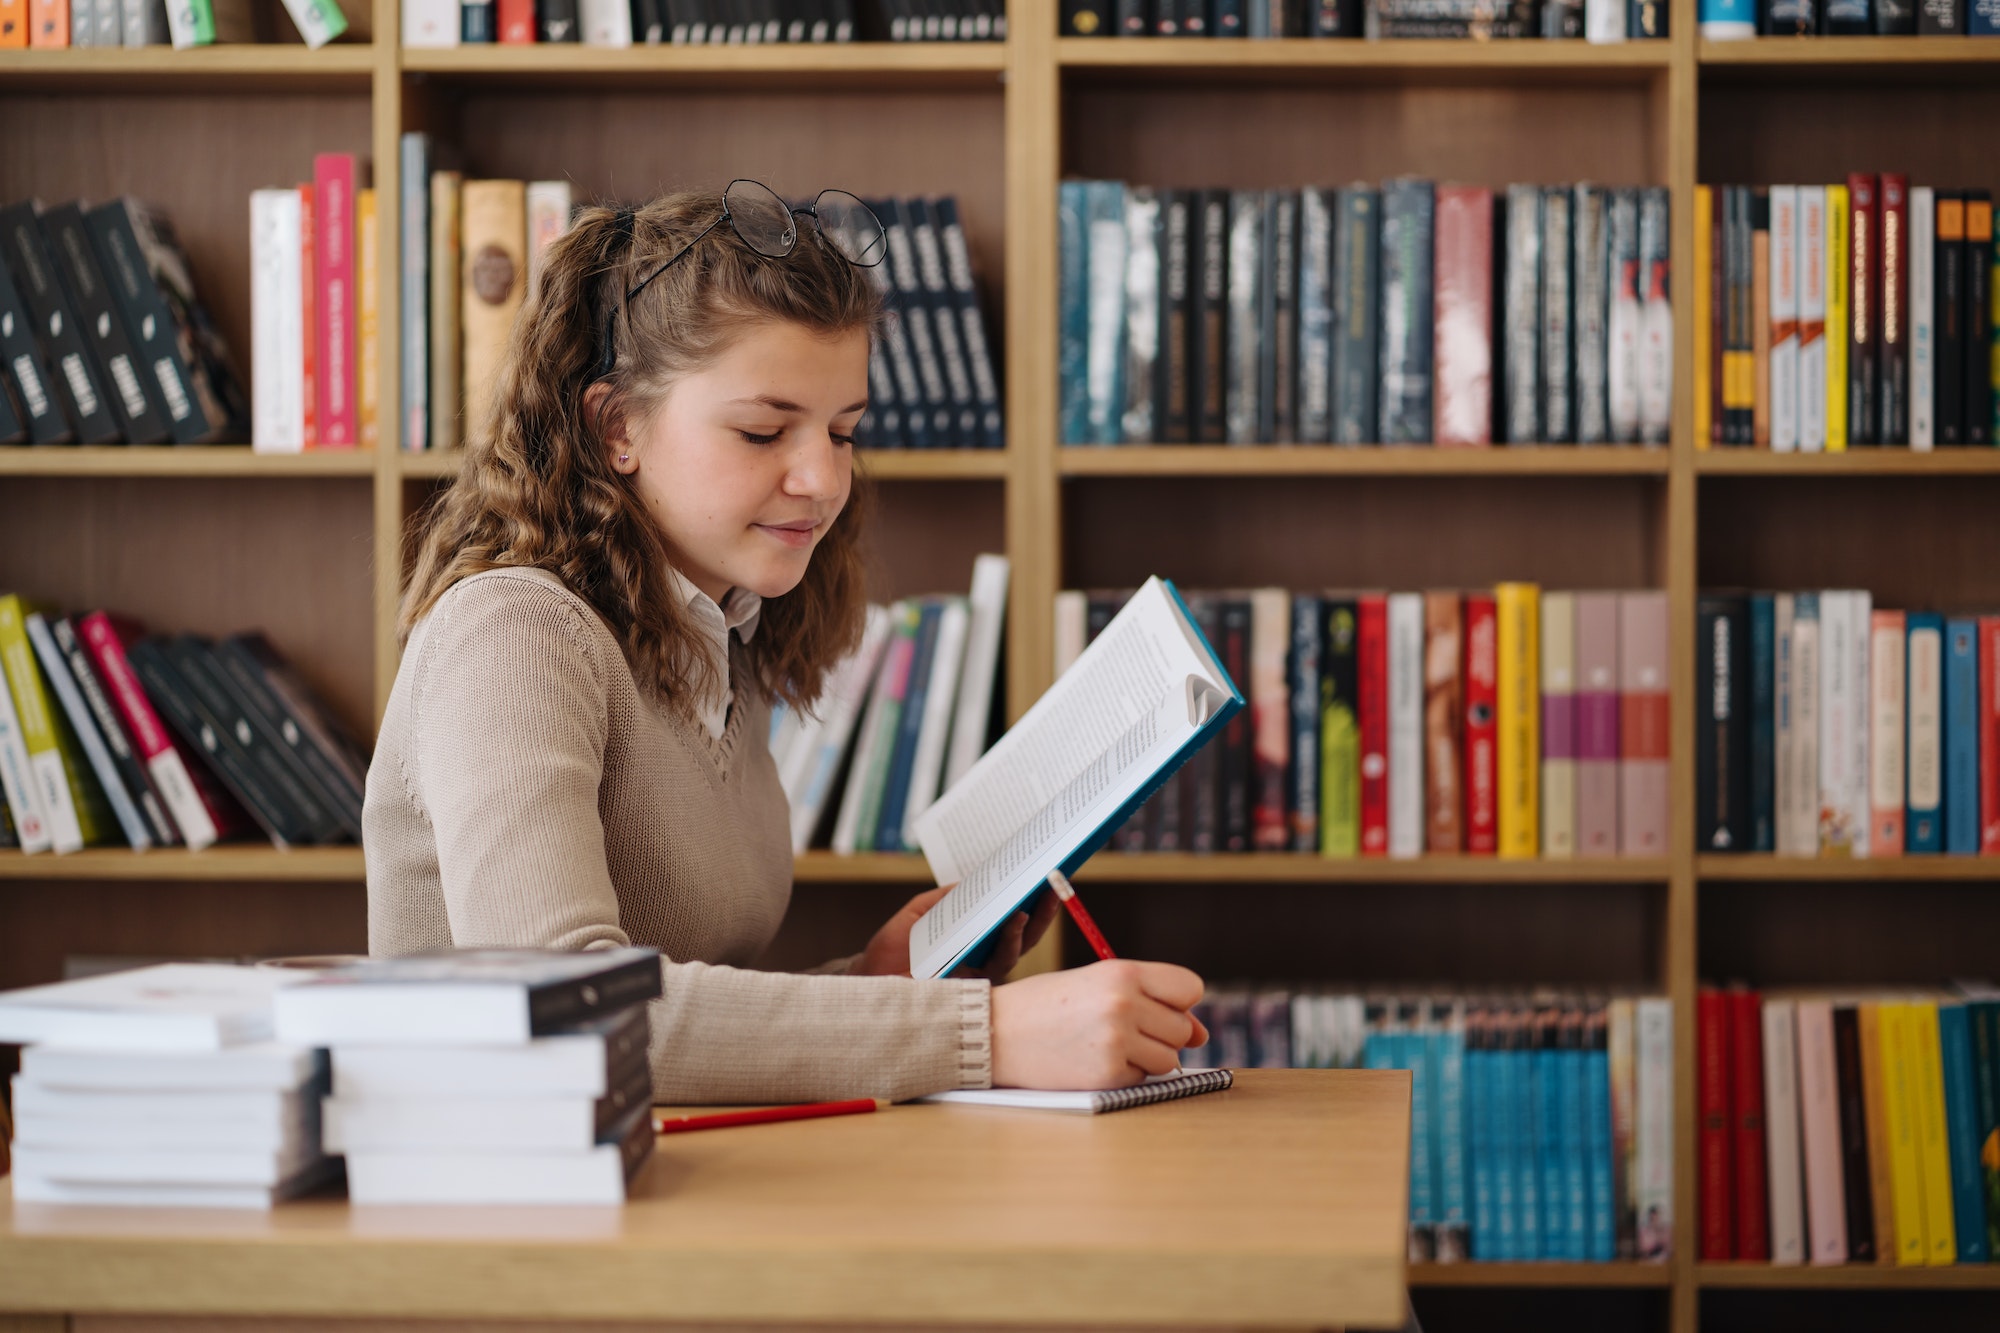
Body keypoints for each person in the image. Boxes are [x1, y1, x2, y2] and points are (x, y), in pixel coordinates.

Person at [365, 182, 1209, 1103]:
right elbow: (568, 1017)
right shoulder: (514, 634)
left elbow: (680, 1028)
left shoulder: (718, 636)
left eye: (843, 432)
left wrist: (876, 983)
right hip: (496, 1221)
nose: (821, 477)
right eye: (764, 430)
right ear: (618, 428)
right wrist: (984, 1034)